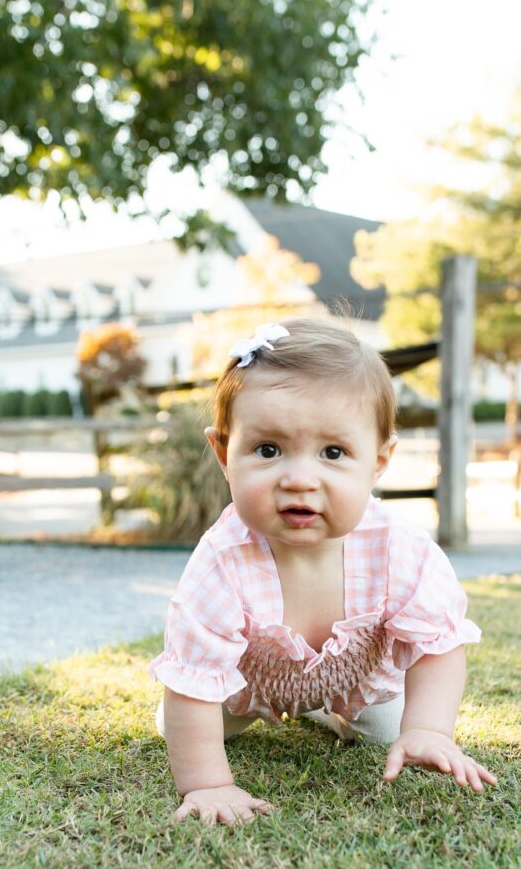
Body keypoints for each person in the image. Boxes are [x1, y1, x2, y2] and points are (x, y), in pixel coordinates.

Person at [148, 318, 497, 826]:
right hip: (246, 686)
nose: (299, 479)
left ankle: (336, 712)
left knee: (392, 727)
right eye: (268, 450)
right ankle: (261, 721)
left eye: (333, 453)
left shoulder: (399, 549)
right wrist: (208, 784)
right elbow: (193, 680)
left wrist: (429, 729)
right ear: (225, 453)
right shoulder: (221, 561)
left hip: (353, 678)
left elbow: (437, 645)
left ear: (378, 461)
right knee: (179, 722)